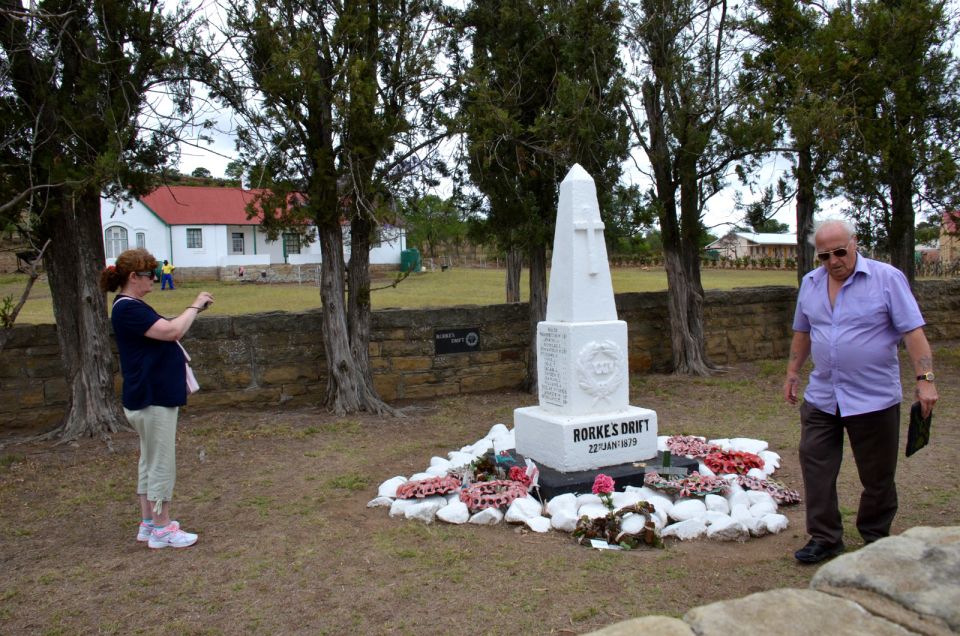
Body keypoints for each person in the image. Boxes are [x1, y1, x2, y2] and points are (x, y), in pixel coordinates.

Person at [783, 219, 938, 564]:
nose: (834, 261)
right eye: (825, 256)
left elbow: (913, 332)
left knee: (877, 475)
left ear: (854, 244)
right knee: (816, 466)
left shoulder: (887, 279)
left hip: (874, 396)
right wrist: (793, 371)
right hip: (823, 395)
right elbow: (803, 332)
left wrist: (925, 379)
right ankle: (825, 538)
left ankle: (875, 538)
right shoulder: (810, 284)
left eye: (840, 251)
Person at [100, 248, 214, 549]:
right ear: (133, 277)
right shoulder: (129, 308)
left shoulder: (130, 306)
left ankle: (149, 523)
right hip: (152, 397)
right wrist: (196, 305)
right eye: (150, 275)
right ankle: (162, 529)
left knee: (148, 460)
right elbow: (172, 331)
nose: (154, 279)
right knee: (161, 462)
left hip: (147, 394)